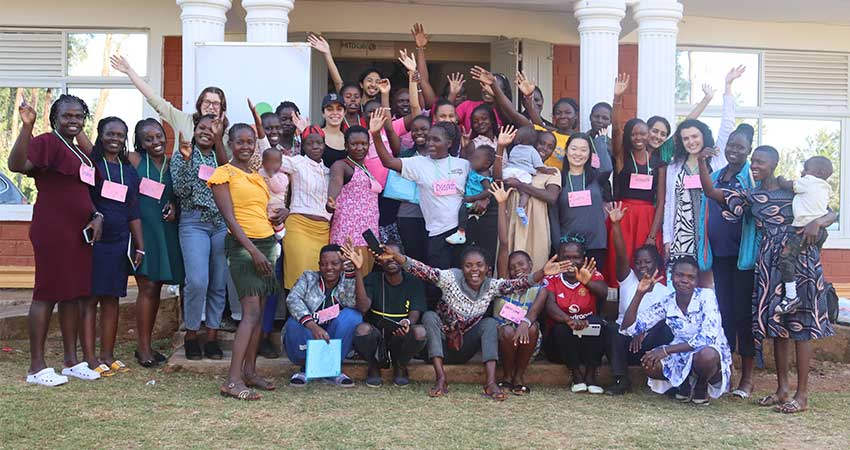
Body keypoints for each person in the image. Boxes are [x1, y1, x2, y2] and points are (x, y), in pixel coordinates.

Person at [700, 145, 836, 413]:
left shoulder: (793, 191)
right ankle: (783, 390)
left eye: (760, 161)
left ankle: (802, 395)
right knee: (778, 327)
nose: (754, 165)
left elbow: (831, 212)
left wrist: (818, 223)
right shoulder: (753, 196)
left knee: (802, 327)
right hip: (770, 267)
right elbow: (712, 193)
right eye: (754, 161)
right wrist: (703, 163)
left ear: (774, 164)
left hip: (801, 263)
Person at [376, 244, 570, 400]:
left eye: (479, 265)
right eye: (469, 265)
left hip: (465, 347)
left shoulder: (492, 286)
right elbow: (423, 271)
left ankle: (491, 383)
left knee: (490, 324)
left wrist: (542, 272)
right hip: (439, 345)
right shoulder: (450, 278)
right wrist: (398, 257)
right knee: (429, 316)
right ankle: (441, 379)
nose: (474, 270)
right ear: (462, 268)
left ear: (487, 269)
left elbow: (517, 284)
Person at [11, 96, 103, 386]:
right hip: (53, 229)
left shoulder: (79, 152)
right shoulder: (46, 142)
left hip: (79, 232)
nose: (73, 121)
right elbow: (17, 164)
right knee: (47, 293)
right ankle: (37, 367)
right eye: (67, 116)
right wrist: (26, 126)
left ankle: (71, 361)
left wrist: (97, 215)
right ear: (55, 118)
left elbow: (89, 188)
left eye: (78, 116)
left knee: (72, 294)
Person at [209, 123, 282, 400]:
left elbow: (259, 211)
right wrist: (253, 251)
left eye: (249, 142)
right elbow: (230, 219)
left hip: (266, 243)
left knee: (260, 312)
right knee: (250, 312)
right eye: (239, 141)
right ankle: (232, 380)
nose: (245, 146)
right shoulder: (223, 174)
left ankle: (250, 372)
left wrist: (281, 214)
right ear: (230, 143)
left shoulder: (257, 176)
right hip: (244, 248)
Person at [696, 123, 759, 398]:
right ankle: (726, 372)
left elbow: (710, 193)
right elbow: (708, 201)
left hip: (743, 259)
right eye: (731, 145)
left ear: (749, 150)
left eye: (740, 147)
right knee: (724, 315)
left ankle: (748, 378)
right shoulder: (719, 175)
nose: (735, 150)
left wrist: (701, 163)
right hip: (720, 256)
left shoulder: (750, 180)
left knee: (744, 316)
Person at [664, 67, 743, 281]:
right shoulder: (674, 166)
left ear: (703, 136)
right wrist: (667, 238)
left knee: (707, 282)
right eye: (686, 138)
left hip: (710, 233)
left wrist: (728, 87)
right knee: (682, 283)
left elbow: (727, 125)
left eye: (695, 136)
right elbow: (669, 205)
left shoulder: (716, 159)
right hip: (681, 234)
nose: (691, 141)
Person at [80, 117, 144, 377]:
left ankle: (108, 354)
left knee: (112, 298)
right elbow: (82, 198)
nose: (115, 139)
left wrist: (139, 246)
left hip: (120, 241)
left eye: (120, 134)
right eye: (110, 134)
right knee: (91, 298)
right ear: (100, 135)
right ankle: (90, 357)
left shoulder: (128, 170)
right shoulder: (92, 165)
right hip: (96, 241)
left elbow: (133, 209)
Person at [620, 257, 732, 405]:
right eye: (679, 275)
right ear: (671, 276)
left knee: (706, 355)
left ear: (697, 281)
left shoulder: (707, 296)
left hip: (710, 352)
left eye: (690, 277)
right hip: (681, 353)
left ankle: (701, 385)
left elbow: (706, 338)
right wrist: (639, 293)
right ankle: (684, 384)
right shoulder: (668, 302)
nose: (684, 280)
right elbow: (629, 328)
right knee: (649, 363)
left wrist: (666, 350)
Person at [373, 121, 469, 278]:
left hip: (461, 231)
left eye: (436, 140)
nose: (430, 143)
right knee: (439, 280)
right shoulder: (419, 163)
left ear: (449, 143)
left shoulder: (463, 164)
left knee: (461, 278)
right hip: (437, 233)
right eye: (429, 139)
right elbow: (388, 162)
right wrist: (376, 135)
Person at [170, 114, 230, 360]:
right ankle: (192, 333)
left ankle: (212, 336)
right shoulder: (183, 154)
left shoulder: (221, 157)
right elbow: (180, 191)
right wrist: (185, 162)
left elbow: (232, 182)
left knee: (218, 281)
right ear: (194, 130)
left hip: (220, 223)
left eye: (212, 128)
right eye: (202, 127)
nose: (206, 131)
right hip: (193, 222)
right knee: (197, 281)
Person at [130, 118, 184, 367]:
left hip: (167, 231)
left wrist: (175, 205)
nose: (156, 142)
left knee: (158, 287)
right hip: (144, 232)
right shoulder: (135, 160)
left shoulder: (174, 164)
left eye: (159, 136)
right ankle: (143, 349)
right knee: (148, 288)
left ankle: (147, 345)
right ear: (140, 143)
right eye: (148, 138)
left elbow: (179, 194)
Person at [604, 202, 672, 395]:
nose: (642, 266)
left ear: (657, 263)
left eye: (647, 262)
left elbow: (665, 322)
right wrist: (616, 225)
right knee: (612, 329)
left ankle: (663, 375)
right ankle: (620, 379)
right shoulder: (628, 280)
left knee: (667, 328)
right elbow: (620, 254)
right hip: (625, 344)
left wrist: (642, 331)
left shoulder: (665, 291)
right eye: (638, 262)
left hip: (649, 346)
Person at [606, 73, 666, 287]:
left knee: (648, 264)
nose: (639, 138)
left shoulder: (659, 163)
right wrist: (617, 99)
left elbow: (661, 201)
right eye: (634, 134)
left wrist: (653, 233)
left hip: (648, 218)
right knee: (620, 262)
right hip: (623, 216)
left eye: (643, 133)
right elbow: (615, 129)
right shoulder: (622, 157)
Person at [284, 243, 368, 387]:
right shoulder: (308, 278)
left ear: (342, 265)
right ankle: (306, 368)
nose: (329, 268)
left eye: (335, 263)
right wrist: (313, 327)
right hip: (308, 334)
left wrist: (354, 270)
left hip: (333, 336)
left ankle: (332, 369)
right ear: (319, 265)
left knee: (353, 316)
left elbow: (355, 304)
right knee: (294, 322)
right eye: (324, 264)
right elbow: (292, 299)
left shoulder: (346, 279)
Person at [490, 182, 547, 395]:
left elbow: (533, 314)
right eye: (513, 267)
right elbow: (504, 244)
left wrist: (524, 323)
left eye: (522, 265)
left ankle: (519, 376)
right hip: (503, 340)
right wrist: (502, 205)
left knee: (531, 327)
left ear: (531, 266)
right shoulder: (504, 283)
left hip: (527, 340)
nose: (517, 269)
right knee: (506, 330)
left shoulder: (541, 287)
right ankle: (506, 375)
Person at [110, 55, 228, 156]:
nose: (211, 106)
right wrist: (130, 71)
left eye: (216, 103)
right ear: (200, 104)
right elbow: (155, 99)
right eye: (207, 102)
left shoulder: (227, 134)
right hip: (181, 180)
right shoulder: (183, 120)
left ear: (222, 108)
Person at [353, 243, 427, 387]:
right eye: (387, 256)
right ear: (380, 260)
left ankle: (400, 366)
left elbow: (414, 313)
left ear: (402, 258)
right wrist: (358, 270)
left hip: (400, 335)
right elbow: (362, 307)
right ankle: (374, 366)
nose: (391, 260)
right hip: (376, 337)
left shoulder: (414, 282)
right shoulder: (373, 279)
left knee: (420, 332)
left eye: (395, 256)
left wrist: (407, 323)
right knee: (362, 329)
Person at [542, 237, 608, 394]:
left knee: (598, 324)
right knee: (561, 329)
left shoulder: (591, 273)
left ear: (583, 257)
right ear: (559, 258)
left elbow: (604, 292)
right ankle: (577, 375)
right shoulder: (552, 277)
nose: (571, 261)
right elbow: (549, 305)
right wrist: (569, 320)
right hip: (561, 344)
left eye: (576, 257)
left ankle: (591, 376)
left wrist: (587, 282)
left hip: (586, 339)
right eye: (567, 257)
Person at [775, 156, 833, 314]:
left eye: (806, 168)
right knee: (809, 259)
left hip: (803, 230)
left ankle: (791, 296)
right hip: (822, 232)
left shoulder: (809, 181)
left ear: (818, 172)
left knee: (786, 259)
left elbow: (787, 184)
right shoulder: (825, 188)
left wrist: (780, 178)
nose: (802, 172)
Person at [280, 126, 332, 290]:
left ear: (324, 145)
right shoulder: (297, 163)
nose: (315, 146)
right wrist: (261, 135)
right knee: (298, 280)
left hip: (323, 231)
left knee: (318, 282)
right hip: (299, 227)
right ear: (303, 146)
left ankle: (313, 317)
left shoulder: (329, 172)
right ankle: (294, 316)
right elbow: (271, 159)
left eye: (319, 143)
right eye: (310, 143)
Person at [328, 124, 381, 276]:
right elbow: (336, 182)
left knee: (364, 281)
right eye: (354, 144)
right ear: (346, 146)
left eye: (364, 144)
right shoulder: (341, 165)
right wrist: (331, 200)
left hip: (369, 235)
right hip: (350, 235)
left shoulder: (366, 168)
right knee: (349, 280)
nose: (360, 148)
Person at [553, 133, 611, 270]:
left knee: (594, 287)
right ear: (566, 151)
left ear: (590, 153)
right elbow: (553, 216)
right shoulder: (558, 178)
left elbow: (607, 168)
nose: (578, 153)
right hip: (569, 249)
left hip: (596, 245)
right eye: (574, 149)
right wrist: (558, 247)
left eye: (584, 150)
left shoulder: (596, 177)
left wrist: (600, 141)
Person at [501, 126, 557, 225]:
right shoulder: (532, 152)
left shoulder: (515, 148)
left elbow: (551, 197)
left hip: (535, 223)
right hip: (511, 221)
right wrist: (546, 170)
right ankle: (521, 208)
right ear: (534, 142)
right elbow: (539, 166)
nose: (544, 148)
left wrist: (519, 185)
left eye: (550, 147)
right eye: (541, 143)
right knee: (523, 193)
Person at [394, 115, 431, 262]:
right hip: (409, 214)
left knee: (432, 258)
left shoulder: (439, 156)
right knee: (413, 259)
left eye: (423, 129)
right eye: (414, 130)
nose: (419, 133)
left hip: (435, 215)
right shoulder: (405, 156)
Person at [444, 145, 493, 245]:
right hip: (471, 200)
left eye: (477, 159)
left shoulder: (483, 176)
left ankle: (461, 233)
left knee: (462, 210)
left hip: (475, 203)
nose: (472, 161)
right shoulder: (475, 171)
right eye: (473, 157)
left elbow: (488, 191)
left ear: (487, 163)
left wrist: (472, 198)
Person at [259, 148, 289, 240]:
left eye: (276, 162)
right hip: (263, 202)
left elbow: (277, 189)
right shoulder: (260, 173)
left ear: (280, 164)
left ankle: (279, 230)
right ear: (263, 163)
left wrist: (272, 176)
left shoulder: (283, 177)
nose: (272, 165)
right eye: (269, 161)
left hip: (276, 203)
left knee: (274, 217)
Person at [321, 93, 348, 168]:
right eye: (330, 109)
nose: (335, 113)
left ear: (344, 112)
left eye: (339, 109)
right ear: (323, 113)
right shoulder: (316, 136)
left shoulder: (348, 138)